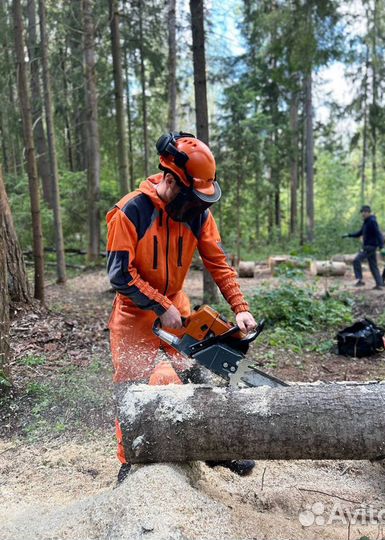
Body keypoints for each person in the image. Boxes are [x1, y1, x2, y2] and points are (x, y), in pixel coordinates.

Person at [107, 132, 257, 482]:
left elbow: (218, 261)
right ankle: (130, 461)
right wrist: (158, 305)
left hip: (175, 306)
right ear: (171, 179)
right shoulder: (130, 211)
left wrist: (240, 307)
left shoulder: (198, 213)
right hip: (134, 311)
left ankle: (217, 448)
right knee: (131, 390)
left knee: (199, 373)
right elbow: (119, 275)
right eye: (192, 197)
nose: (197, 205)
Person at [343, 205, 385, 289]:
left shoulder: (372, 221)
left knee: (356, 260)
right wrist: (349, 235)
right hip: (369, 247)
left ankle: (359, 280)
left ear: (369, 212)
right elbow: (359, 233)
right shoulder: (366, 222)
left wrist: (381, 247)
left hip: (370, 247)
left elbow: (378, 234)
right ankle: (379, 284)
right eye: (362, 212)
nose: (363, 214)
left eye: (365, 212)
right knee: (373, 266)